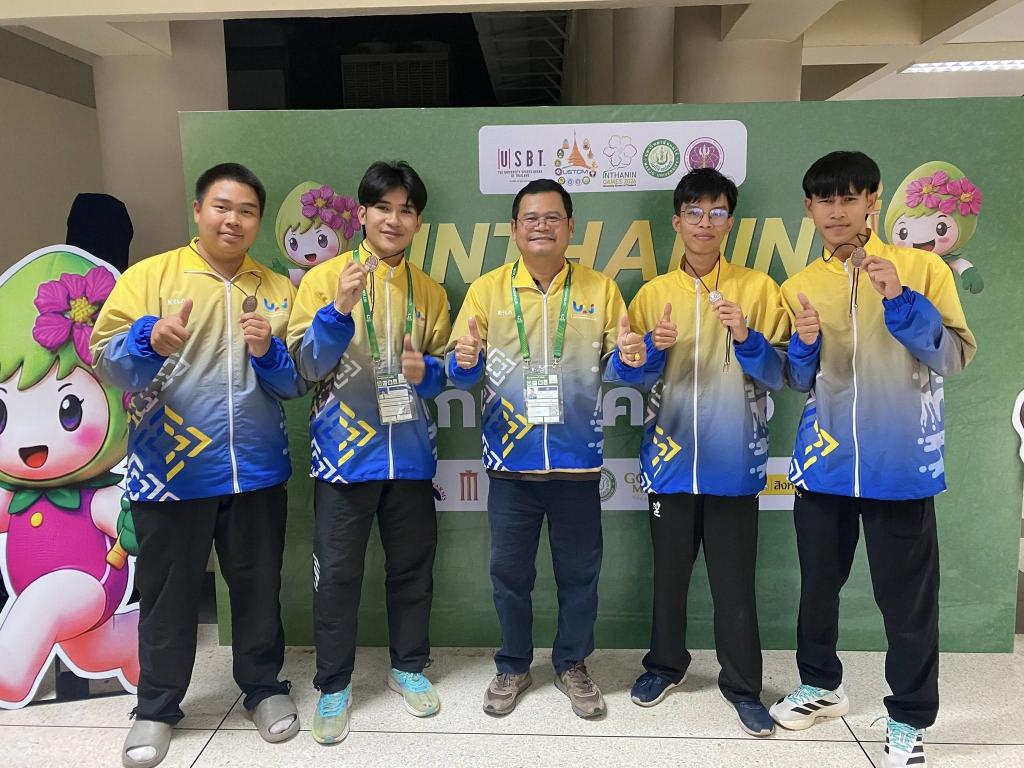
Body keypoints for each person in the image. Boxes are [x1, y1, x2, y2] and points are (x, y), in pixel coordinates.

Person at [90, 163, 305, 768]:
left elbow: (294, 383)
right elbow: (106, 362)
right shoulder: (150, 277)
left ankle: (263, 688)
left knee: (258, 589)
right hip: (171, 473)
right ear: (197, 210)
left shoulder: (276, 288)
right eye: (221, 207)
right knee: (168, 596)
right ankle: (157, 708)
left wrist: (266, 350)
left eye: (246, 211)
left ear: (259, 220)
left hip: (256, 472)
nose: (233, 220)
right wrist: (148, 339)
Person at [769, 151, 976, 768]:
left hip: (899, 464)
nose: (837, 211)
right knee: (818, 588)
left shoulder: (922, 268)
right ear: (809, 208)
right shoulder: (798, 286)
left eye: (849, 198)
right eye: (824, 200)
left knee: (907, 601)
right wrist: (804, 344)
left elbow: (954, 356)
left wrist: (899, 298)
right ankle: (819, 685)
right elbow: (797, 378)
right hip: (824, 463)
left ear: (873, 200)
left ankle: (909, 716)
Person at [446, 178, 646, 719]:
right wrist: (462, 361)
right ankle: (513, 664)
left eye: (553, 217)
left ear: (570, 226)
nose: (541, 226)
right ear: (514, 229)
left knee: (579, 575)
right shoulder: (487, 291)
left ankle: (572, 664)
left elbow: (624, 367)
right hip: (510, 464)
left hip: (577, 463)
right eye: (530, 218)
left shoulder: (600, 289)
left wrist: (633, 356)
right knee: (509, 575)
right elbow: (459, 374)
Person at [609, 168, 789, 737]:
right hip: (669, 462)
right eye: (694, 212)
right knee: (668, 577)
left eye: (715, 213)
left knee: (734, 584)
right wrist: (645, 351)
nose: (704, 223)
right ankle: (665, 666)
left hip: (734, 463)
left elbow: (783, 373)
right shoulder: (652, 294)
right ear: (677, 221)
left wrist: (747, 338)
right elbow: (627, 373)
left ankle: (743, 686)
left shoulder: (759, 289)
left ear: (729, 222)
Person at [287, 160, 450, 745]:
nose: (393, 219)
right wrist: (337, 311)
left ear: (417, 222)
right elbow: (304, 367)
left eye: (406, 210)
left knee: (412, 570)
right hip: (343, 459)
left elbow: (440, 377)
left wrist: (427, 371)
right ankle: (334, 685)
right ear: (361, 213)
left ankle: (409, 666)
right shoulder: (323, 278)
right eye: (383, 207)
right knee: (336, 577)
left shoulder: (430, 291)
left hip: (410, 458)